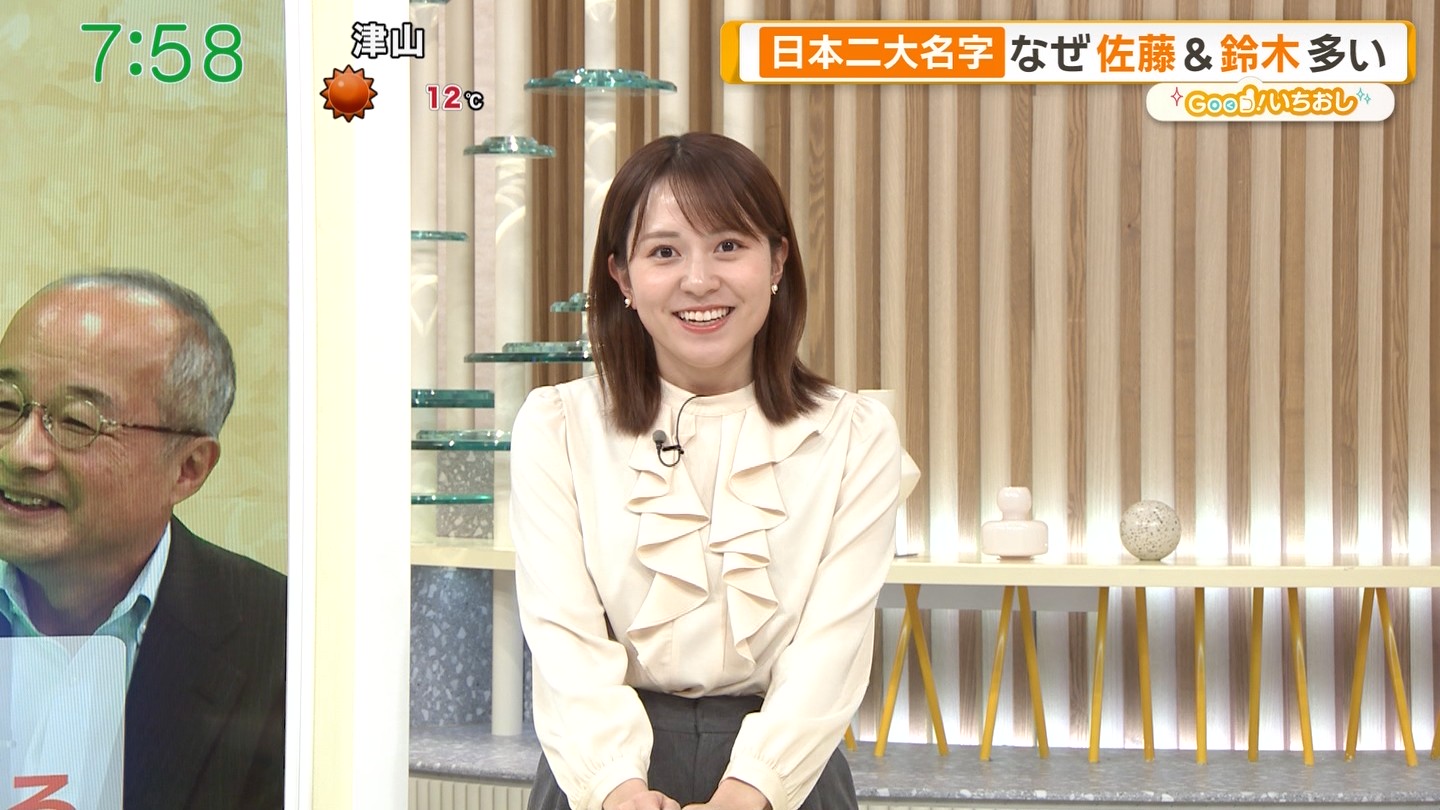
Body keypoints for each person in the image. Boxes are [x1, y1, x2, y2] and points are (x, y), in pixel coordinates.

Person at [511, 132, 905, 810]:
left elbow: (832, 646)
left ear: (777, 260)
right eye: (664, 252)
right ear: (622, 277)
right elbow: (563, 637)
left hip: (786, 779)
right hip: (602, 779)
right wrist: (615, 788)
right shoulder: (556, 426)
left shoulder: (855, 434)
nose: (699, 281)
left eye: (728, 245)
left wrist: (753, 788)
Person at [0, 270, 285, 809]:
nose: (20, 453)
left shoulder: (285, 644)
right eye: (5, 406)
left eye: (77, 422)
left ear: (188, 468)